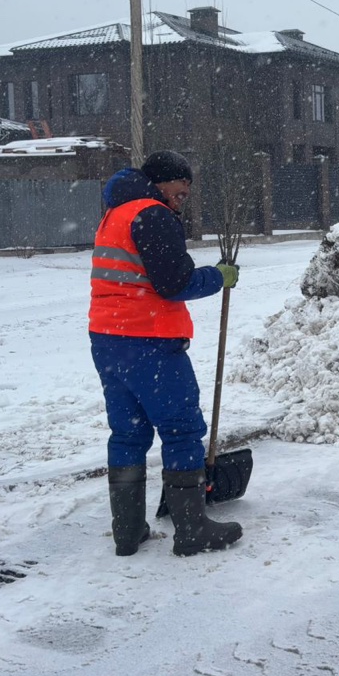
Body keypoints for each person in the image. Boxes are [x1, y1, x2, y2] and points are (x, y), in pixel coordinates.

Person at [89, 149, 244, 557]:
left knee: (127, 433)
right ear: (162, 181)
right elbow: (174, 283)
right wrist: (217, 277)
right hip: (149, 342)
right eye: (182, 186)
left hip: (107, 339)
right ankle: (191, 530)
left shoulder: (114, 214)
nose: (185, 194)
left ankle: (127, 531)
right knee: (180, 430)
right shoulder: (152, 214)